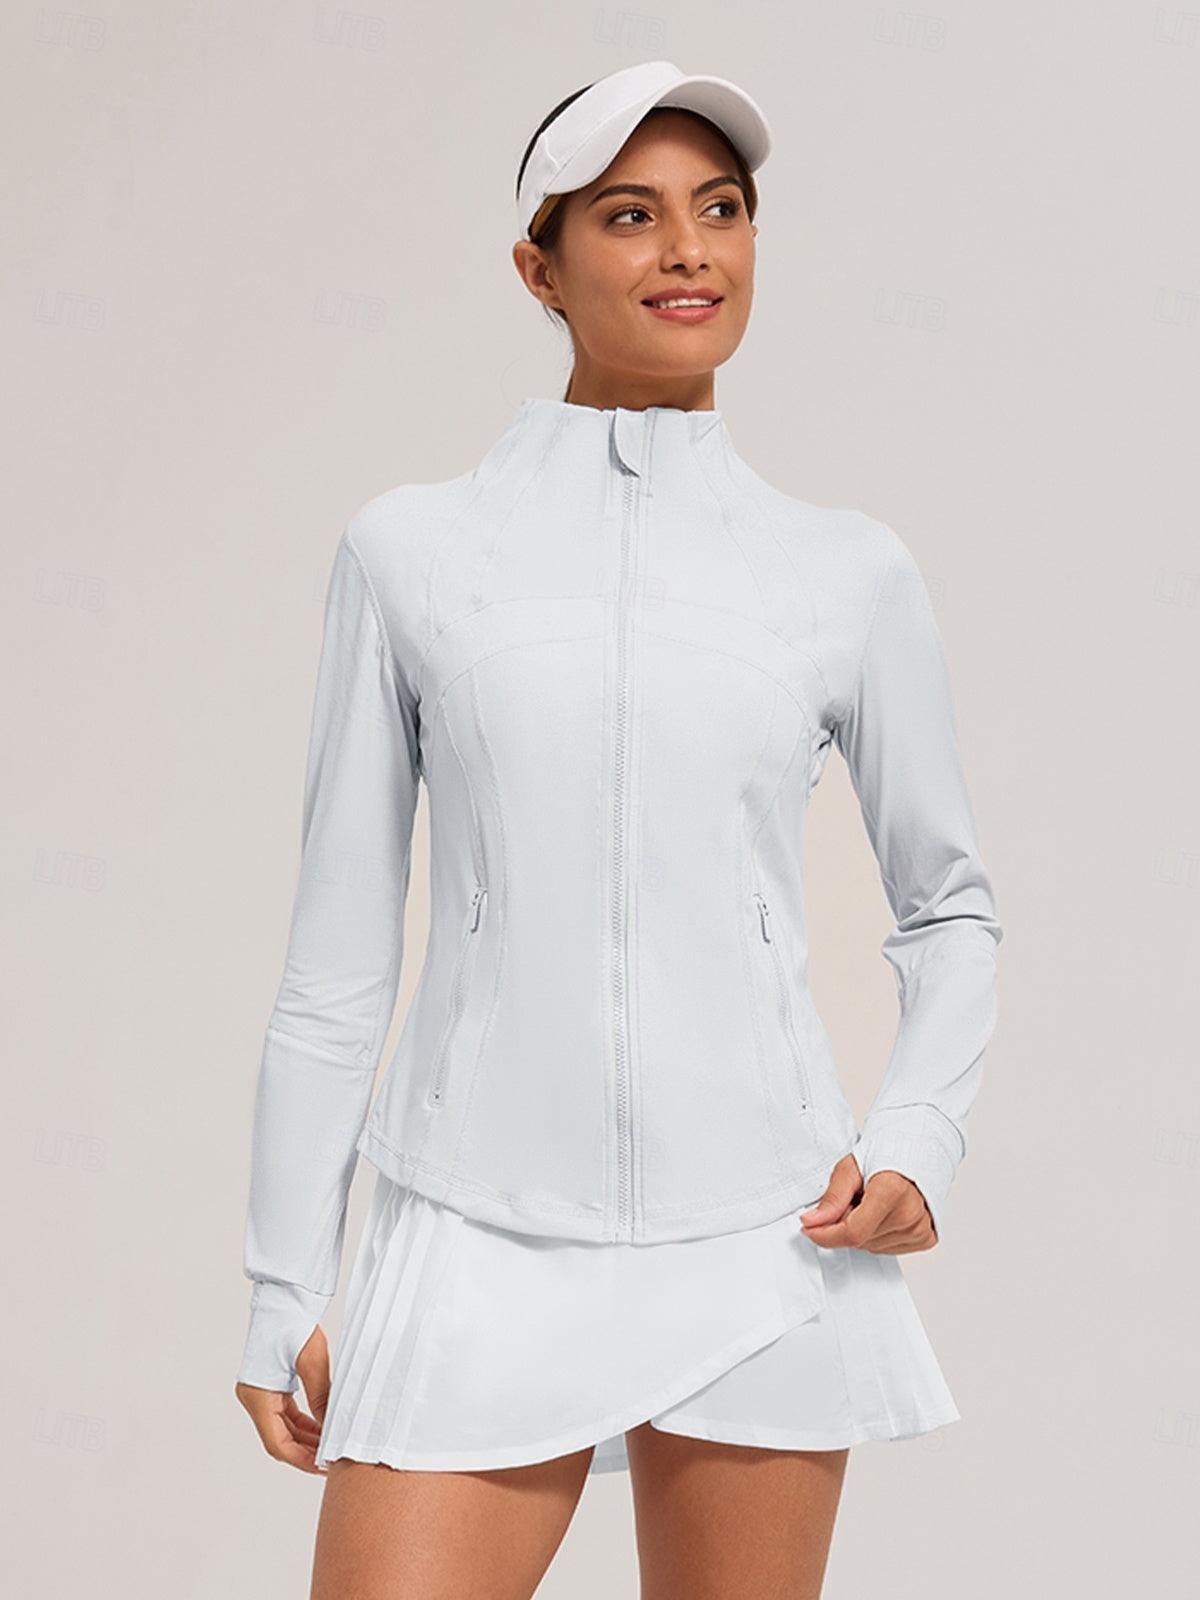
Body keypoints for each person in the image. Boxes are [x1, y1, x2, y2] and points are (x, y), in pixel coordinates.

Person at [234, 60, 1003, 1600]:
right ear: (540, 267)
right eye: (631, 216)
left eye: (721, 210)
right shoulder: (413, 554)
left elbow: (950, 908)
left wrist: (919, 1133)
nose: (690, 251)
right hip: (474, 1220)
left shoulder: (841, 572)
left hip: (765, 1230)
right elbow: (336, 964)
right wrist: (281, 1279)